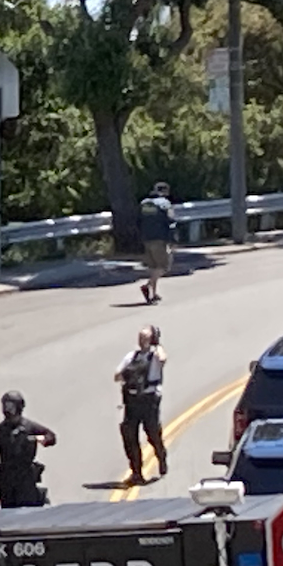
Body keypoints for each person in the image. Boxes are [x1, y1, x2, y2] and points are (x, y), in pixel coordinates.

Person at [0, 392, 57, 509]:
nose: (7, 409)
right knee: (8, 511)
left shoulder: (29, 426)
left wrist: (39, 439)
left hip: (25, 475)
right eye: (5, 405)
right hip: (7, 478)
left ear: (19, 407)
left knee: (30, 508)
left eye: (10, 406)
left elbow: (51, 436)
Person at [115, 325, 168, 486]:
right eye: (140, 337)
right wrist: (129, 375)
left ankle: (161, 455)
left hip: (149, 400)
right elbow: (117, 375)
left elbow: (163, 359)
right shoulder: (132, 356)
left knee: (152, 433)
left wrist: (156, 344)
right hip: (132, 401)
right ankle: (136, 472)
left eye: (145, 338)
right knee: (129, 436)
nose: (142, 341)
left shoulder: (156, 356)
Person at [139, 181, 177, 305]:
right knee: (164, 267)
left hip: (146, 239)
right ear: (165, 191)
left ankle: (154, 294)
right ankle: (147, 286)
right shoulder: (165, 204)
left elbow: (138, 220)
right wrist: (172, 240)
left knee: (153, 267)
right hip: (160, 239)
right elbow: (171, 223)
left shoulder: (144, 204)